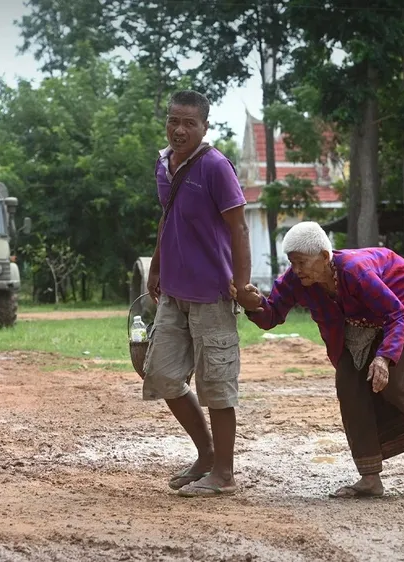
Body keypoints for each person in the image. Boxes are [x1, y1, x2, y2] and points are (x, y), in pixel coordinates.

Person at [232, 221, 404, 498]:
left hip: (398, 302)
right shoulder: (295, 279)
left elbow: (396, 314)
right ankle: (370, 478)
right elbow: (271, 316)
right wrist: (253, 303)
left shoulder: (355, 271)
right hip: (354, 324)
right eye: (292, 262)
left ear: (325, 258)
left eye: (302, 262)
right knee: (349, 387)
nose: (296, 269)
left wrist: (384, 358)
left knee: (394, 386)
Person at [143, 90, 252, 498]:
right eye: (174, 120)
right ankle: (206, 455)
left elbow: (239, 228)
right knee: (162, 375)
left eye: (190, 122)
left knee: (216, 384)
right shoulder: (163, 164)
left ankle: (223, 474)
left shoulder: (215, 167)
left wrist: (241, 285)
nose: (179, 129)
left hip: (212, 293)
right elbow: (167, 219)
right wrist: (156, 264)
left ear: (205, 126)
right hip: (173, 291)